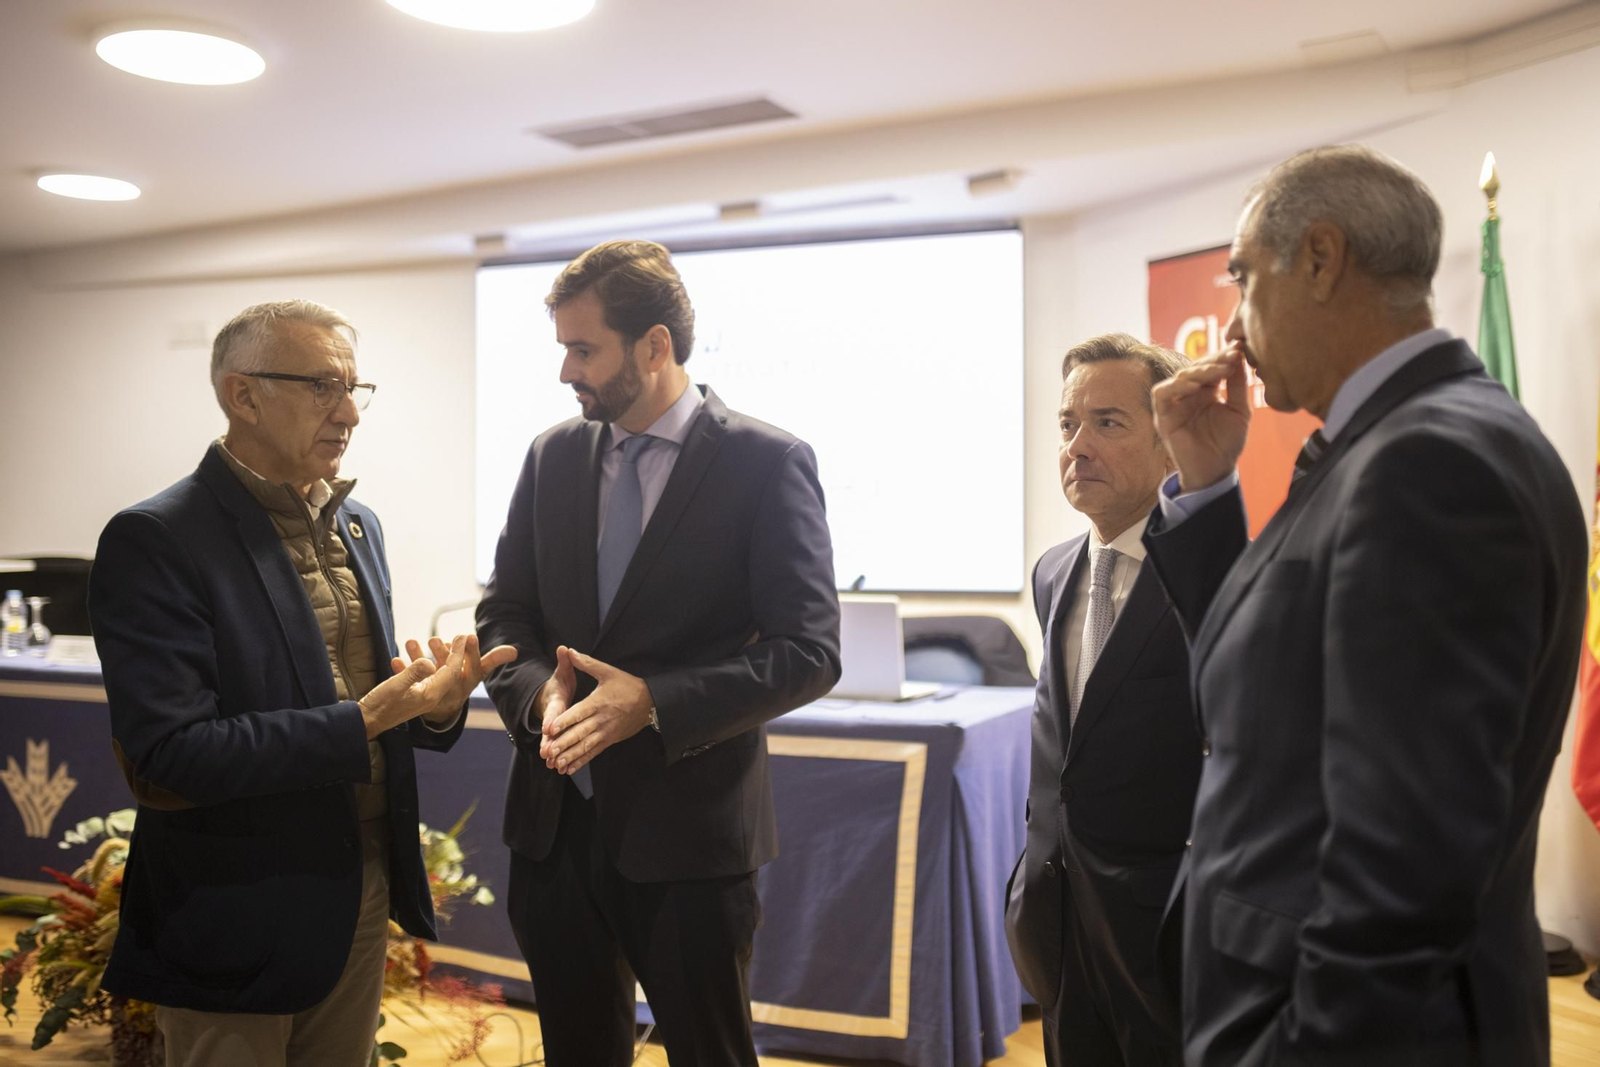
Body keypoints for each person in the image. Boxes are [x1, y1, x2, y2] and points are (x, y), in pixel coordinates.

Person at [1144, 145, 1588, 1066]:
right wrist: (1207, 485)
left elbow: (1406, 865)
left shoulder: (1429, 464)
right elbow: (1269, 692)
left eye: (1240, 278)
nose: (1230, 323)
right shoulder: (1406, 440)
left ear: (1319, 257)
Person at [89, 300, 514, 1066]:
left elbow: (369, 705)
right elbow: (170, 755)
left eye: (356, 387)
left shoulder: (361, 526)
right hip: (234, 905)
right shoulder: (156, 538)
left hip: (357, 883)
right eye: (322, 386)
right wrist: (362, 721)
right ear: (242, 395)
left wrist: (435, 708)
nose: (350, 411)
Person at [475, 240, 841, 1066]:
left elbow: (810, 651)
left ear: (655, 346)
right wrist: (541, 698)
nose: (566, 370)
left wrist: (653, 701)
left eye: (583, 348)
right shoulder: (551, 456)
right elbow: (505, 614)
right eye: (562, 347)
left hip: (692, 838)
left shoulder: (767, 463)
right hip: (554, 835)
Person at [1005, 333, 1200, 1067]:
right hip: (1057, 922)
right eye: (1067, 424)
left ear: (1171, 443)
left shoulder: (1211, 570)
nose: (1077, 446)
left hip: (1164, 935)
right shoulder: (1054, 572)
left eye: (1107, 423)